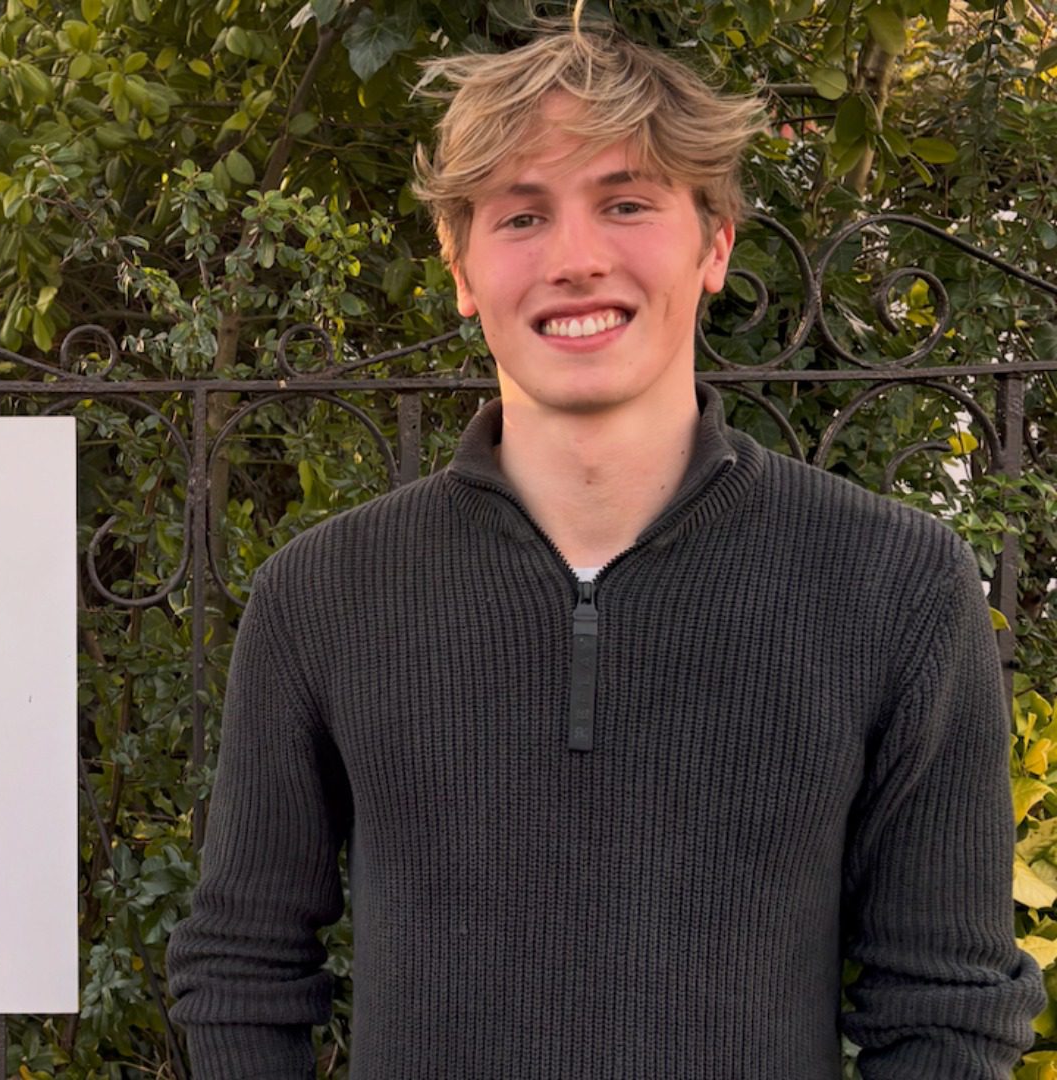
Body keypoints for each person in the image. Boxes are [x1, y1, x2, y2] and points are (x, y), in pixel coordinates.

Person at [164, 22, 1046, 1080]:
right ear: (460, 268)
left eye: (626, 203)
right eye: (522, 215)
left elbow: (946, 1011)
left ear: (714, 243)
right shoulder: (323, 599)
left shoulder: (896, 587)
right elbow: (240, 975)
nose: (576, 258)